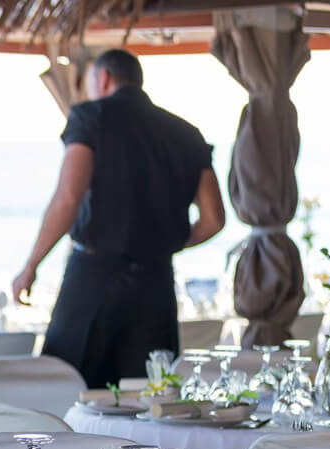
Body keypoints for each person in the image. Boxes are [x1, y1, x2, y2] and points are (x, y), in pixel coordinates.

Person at [12, 49, 225, 388]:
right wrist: (164, 244)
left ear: (104, 78)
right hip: (156, 285)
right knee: (147, 396)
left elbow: (68, 199)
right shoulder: (187, 133)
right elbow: (213, 219)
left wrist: (30, 266)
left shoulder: (90, 117)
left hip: (95, 280)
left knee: (67, 389)